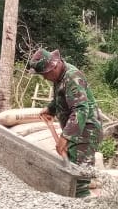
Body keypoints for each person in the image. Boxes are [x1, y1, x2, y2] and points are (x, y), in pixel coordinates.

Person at [28, 48, 101, 198]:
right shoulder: (59, 78)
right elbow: (61, 98)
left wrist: (65, 137)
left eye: (45, 75)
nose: (44, 78)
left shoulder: (72, 77)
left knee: (79, 178)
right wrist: (50, 109)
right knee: (72, 173)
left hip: (85, 131)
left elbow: (81, 109)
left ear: (53, 67)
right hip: (75, 130)